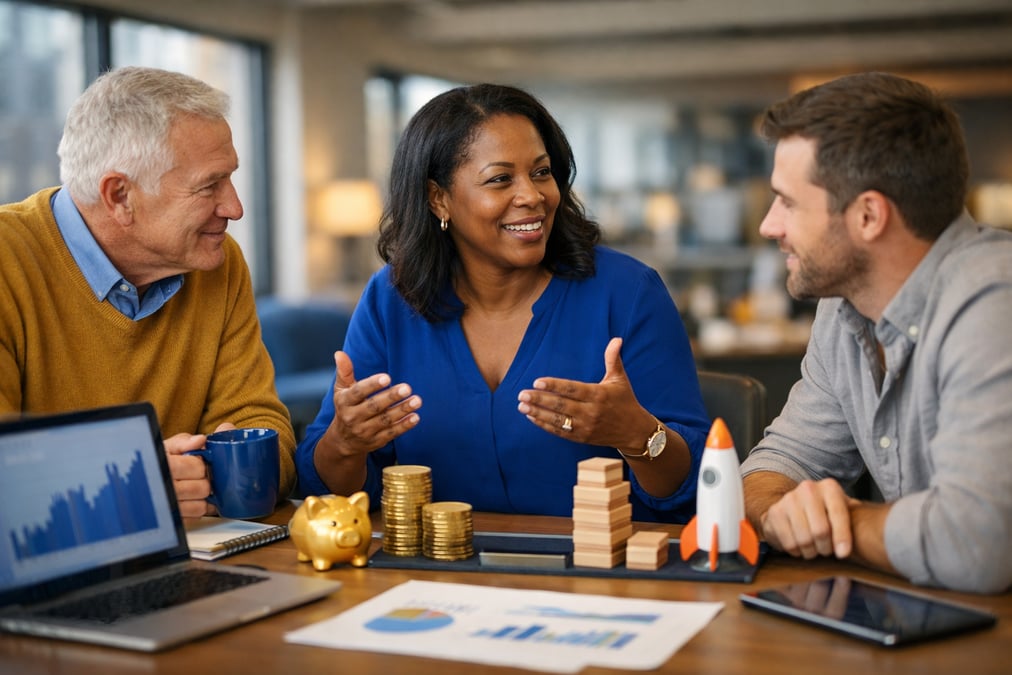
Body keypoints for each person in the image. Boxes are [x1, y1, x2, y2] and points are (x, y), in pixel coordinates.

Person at [296, 84, 709, 522]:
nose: (532, 196)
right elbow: (327, 488)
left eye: (541, 172)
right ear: (439, 198)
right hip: (436, 576)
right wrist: (345, 443)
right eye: (500, 179)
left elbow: (694, 484)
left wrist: (639, 435)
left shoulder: (628, 292)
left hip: (602, 576)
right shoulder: (390, 299)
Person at [740, 72, 1012, 593]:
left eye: (789, 203)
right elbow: (776, 465)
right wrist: (778, 513)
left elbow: (976, 545)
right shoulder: (843, 309)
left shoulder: (991, 303)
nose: (769, 226)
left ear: (868, 215)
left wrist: (837, 521)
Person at [0, 66, 296, 518]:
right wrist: (131, 484)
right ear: (120, 195)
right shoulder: (8, 262)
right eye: (208, 186)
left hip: (197, 554)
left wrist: (207, 480)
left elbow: (262, 426)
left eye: (230, 178)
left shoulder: (217, 262)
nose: (234, 207)